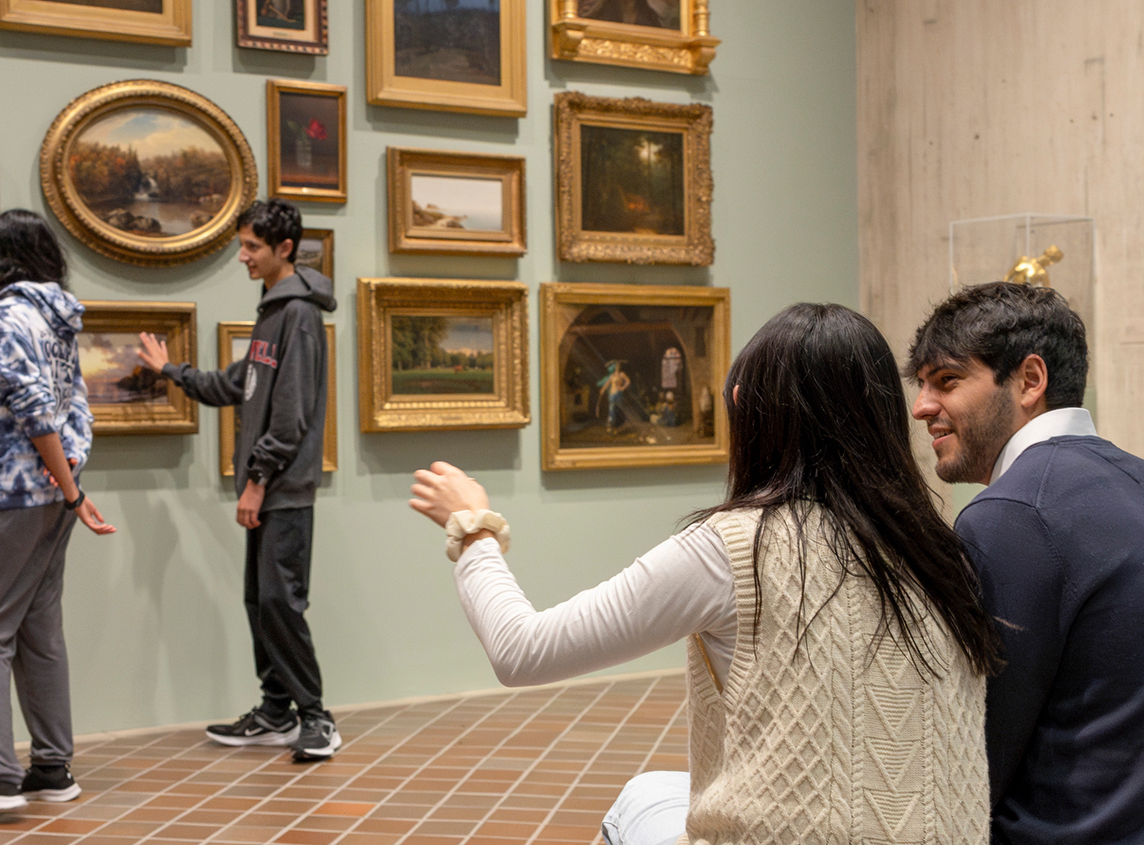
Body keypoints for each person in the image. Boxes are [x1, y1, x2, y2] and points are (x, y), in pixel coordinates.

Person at [409, 303, 1003, 845]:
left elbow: (522, 650)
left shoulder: (734, 546)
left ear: (745, 405)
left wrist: (472, 527)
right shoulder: (941, 550)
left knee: (640, 798)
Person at [904, 282, 1144, 845]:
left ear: (1029, 380)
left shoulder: (1011, 514)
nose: (922, 406)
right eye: (921, 385)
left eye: (947, 381)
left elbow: (975, 753)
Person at [134, 199, 342, 762]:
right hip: (269, 486)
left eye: (252, 247)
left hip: (284, 488)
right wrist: (170, 372)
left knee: (280, 600)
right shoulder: (273, 310)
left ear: (285, 250)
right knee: (260, 601)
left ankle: (316, 717)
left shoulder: (297, 315)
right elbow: (238, 385)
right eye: (242, 246)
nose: (243, 257)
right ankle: (276, 709)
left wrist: (257, 480)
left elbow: (291, 413)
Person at [0, 210, 119, 817]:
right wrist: (72, 486)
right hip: (52, 494)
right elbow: (76, 411)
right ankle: (52, 767)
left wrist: (69, 490)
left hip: (9, 496)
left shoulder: (1, 317)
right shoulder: (55, 319)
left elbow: (38, 413)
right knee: (38, 630)